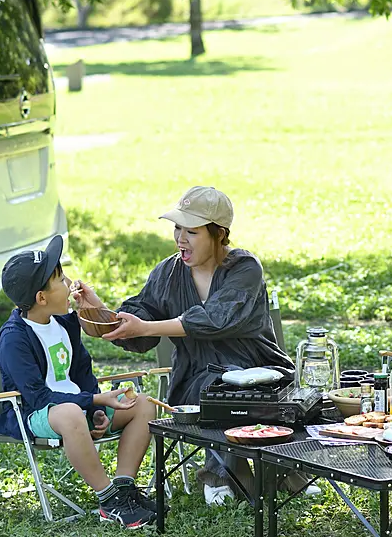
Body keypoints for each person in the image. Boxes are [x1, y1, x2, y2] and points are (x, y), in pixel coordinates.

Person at [70, 186, 310, 505]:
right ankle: (230, 476)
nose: (180, 239)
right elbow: (139, 321)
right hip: (195, 380)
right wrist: (98, 311)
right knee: (213, 388)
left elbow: (215, 318)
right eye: (177, 228)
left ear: (219, 235)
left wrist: (146, 325)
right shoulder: (168, 273)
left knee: (232, 384)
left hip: (262, 374)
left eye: (192, 231)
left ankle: (265, 473)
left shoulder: (244, 268)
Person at [0, 234, 158, 528]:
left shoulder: (64, 323)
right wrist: (93, 401)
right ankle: (108, 500)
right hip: (37, 414)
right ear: (41, 298)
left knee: (142, 405)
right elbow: (38, 397)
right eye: (60, 279)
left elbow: (82, 371)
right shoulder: (14, 339)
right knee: (70, 413)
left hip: (79, 407)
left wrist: (95, 408)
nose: (70, 282)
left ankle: (123, 489)